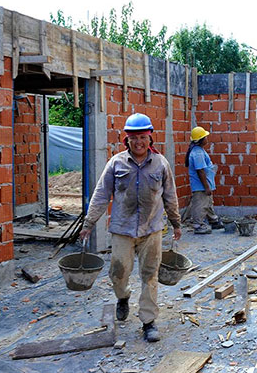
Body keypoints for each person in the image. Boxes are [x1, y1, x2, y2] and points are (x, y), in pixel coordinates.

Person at [79, 113, 181, 343]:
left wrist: (176, 223)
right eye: (134, 138)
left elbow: (170, 196)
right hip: (122, 229)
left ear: (150, 138)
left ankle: (148, 322)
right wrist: (88, 224)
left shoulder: (161, 164)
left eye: (143, 137)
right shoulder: (116, 163)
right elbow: (101, 195)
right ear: (126, 140)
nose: (139, 142)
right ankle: (123, 297)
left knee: (150, 275)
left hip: (151, 230)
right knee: (118, 273)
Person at [183, 126, 222, 234]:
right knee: (200, 205)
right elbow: (200, 171)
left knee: (208, 203)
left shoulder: (199, 150)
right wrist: (206, 187)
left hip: (205, 184)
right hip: (201, 185)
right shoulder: (197, 153)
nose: (207, 138)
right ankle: (198, 225)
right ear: (201, 139)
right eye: (205, 137)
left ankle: (213, 220)